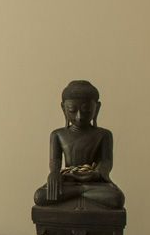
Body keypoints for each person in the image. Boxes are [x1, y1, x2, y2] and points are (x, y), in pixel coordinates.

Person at [33, 80, 125, 209]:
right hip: (68, 180)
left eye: (86, 110)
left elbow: (106, 162)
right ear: (63, 108)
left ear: (97, 108)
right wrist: (54, 174)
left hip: (93, 182)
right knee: (40, 196)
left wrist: (96, 173)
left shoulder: (104, 135)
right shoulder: (57, 134)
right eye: (72, 110)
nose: (79, 116)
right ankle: (81, 191)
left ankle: (80, 191)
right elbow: (55, 162)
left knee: (117, 198)